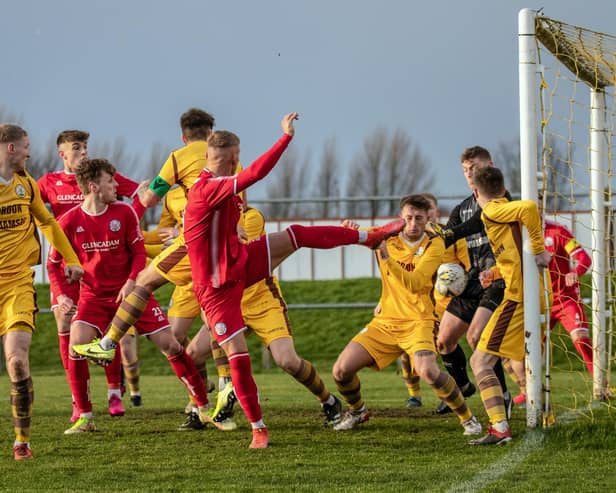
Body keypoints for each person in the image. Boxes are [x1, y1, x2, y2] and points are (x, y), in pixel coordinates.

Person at [74, 113, 405, 449]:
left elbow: (152, 199)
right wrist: (286, 137)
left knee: (297, 234)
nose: (237, 163)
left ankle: (370, 237)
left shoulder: (210, 185)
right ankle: (257, 427)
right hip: (216, 287)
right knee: (233, 353)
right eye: (235, 158)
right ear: (229, 157)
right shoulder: (209, 187)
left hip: (240, 263)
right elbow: (255, 174)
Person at [51, 158, 212, 434]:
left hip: (133, 295)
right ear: (93, 186)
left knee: (171, 345)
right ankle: (85, 417)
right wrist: (61, 295)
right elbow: (54, 263)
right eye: (110, 180)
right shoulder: (68, 222)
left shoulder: (124, 213)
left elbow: (138, 254)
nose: (116, 185)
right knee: (75, 345)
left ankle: (204, 406)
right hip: (93, 298)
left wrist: (130, 282)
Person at [180, 206, 343, 430]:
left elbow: (234, 248)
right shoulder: (206, 221)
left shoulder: (251, 217)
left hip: (262, 303)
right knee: (193, 354)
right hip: (229, 303)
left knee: (287, 361)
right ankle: (202, 409)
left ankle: (329, 400)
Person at [331, 194, 482, 436]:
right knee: (341, 370)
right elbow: (355, 236)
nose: (413, 224)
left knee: (429, 372)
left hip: (419, 321)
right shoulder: (386, 234)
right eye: (409, 218)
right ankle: (358, 411)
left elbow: (415, 282)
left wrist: (385, 256)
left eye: (419, 219)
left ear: (428, 218)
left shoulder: (435, 244)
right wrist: (347, 229)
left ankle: (468, 419)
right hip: (385, 322)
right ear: (401, 217)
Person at [38, 130, 144, 416]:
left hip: (98, 265)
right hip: (67, 268)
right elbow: (29, 209)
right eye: (76, 147)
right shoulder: (48, 182)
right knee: (66, 325)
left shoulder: (101, 176)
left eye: (85, 147)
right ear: (62, 153)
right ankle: (78, 399)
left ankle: (113, 392)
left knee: (111, 326)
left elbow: (141, 193)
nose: (83, 152)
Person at [0, 124, 83, 460]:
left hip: (18, 284)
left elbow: (48, 223)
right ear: (9, 149)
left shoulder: (25, 185)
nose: (29, 153)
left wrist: (72, 258)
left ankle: (22, 442)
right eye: (25, 146)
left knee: (17, 361)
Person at [468, 166, 551, 445]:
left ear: (476, 192)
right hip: (525, 290)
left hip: (518, 297)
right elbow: (514, 256)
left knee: (480, 361)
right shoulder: (504, 208)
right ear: (503, 189)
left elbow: (529, 207)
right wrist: (496, 273)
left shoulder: (491, 210)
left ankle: (500, 427)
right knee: (519, 361)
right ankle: (543, 415)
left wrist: (538, 249)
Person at [431, 147, 512, 416]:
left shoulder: (501, 200)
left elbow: (475, 224)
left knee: (477, 337)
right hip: (473, 280)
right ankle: (463, 386)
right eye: (466, 169)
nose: (470, 173)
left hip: (498, 280)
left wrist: (447, 233)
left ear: (489, 165)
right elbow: (447, 238)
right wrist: (428, 238)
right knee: (443, 340)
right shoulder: (461, 208)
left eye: (474, 167)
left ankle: (503, 394)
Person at [397, 192, 470, 408]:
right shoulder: (408, 239)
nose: (425, 215)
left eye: (429, 210)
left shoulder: (451, 236)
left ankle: (455, 390)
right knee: (406, 349)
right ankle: (415, 395)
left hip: (446, 304)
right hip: (415, 303)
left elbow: (467, 267)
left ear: (434, 213)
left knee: (442, 345)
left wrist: (456, 280)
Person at [511, 217, 592, 405]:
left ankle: (599, 383)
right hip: (538, 301)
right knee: (528, 347)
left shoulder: (558, 231)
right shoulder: (519, 234)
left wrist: (575, 272)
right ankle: (528, 391)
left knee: (580, 338)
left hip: (565, 298)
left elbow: (583, 258)